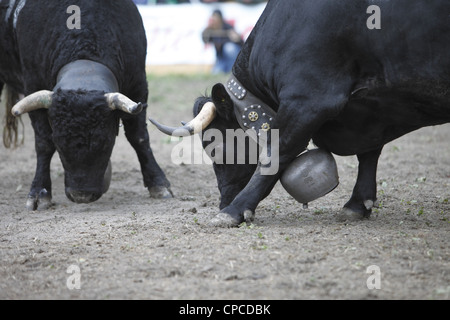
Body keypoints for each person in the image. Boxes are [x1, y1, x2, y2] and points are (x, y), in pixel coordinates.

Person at [202, 9, 243, 73]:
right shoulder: (211, 29)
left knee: (229, 47)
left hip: (232, 57)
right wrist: (207, 30)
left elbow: (239, 41)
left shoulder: (228, 27)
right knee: (215, 72)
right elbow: (205, 40)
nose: (215, 21)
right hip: (221, 58)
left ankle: (233, 69)